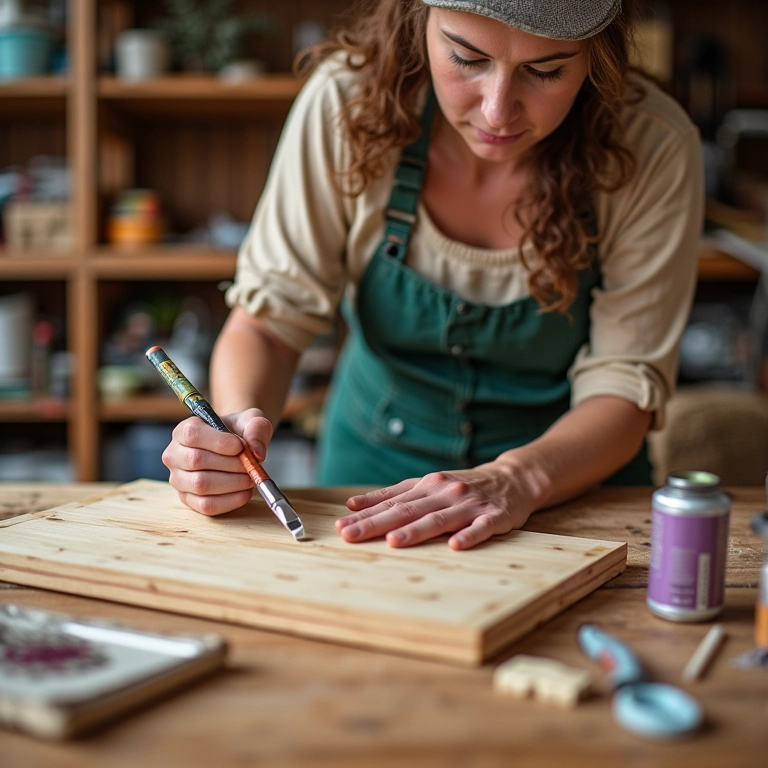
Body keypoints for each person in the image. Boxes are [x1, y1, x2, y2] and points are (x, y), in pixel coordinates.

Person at [161, 0, 704, 551]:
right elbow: (268, 325)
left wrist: (515, 478)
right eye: (467, 58)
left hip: (575, 493)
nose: (497, 111)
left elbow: (624, 383)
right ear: (417, 19)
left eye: (545, 71)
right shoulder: (347, 103)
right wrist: (232, 435)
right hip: (366, 484)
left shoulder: (651, 142)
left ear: (597, 55)